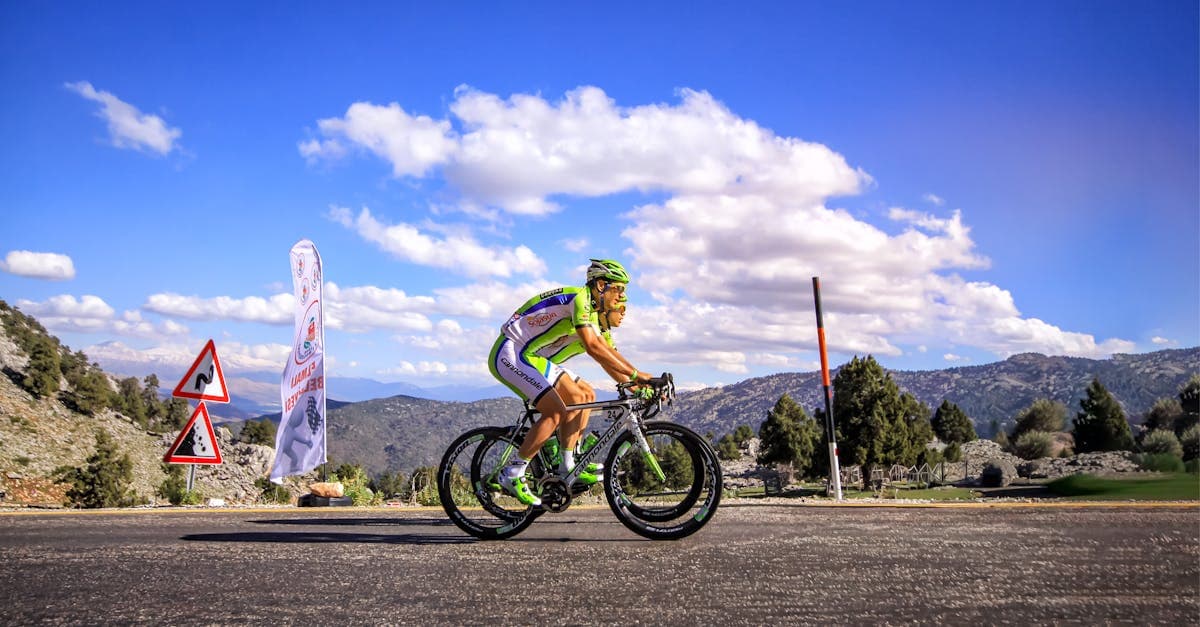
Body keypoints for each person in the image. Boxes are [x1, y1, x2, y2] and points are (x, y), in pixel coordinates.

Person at [488, 259, 653, 506]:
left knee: (585, 394)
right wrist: (637, 376)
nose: (621, 299)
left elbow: (611, 363)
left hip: (534, 357)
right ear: (600, 285)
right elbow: (594, 348)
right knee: (556, 410)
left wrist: (644, 388)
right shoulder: (580, 300)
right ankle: (513, 472)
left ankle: (568, 464)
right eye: (618, 290)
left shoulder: (596, 319)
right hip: (511, 351)